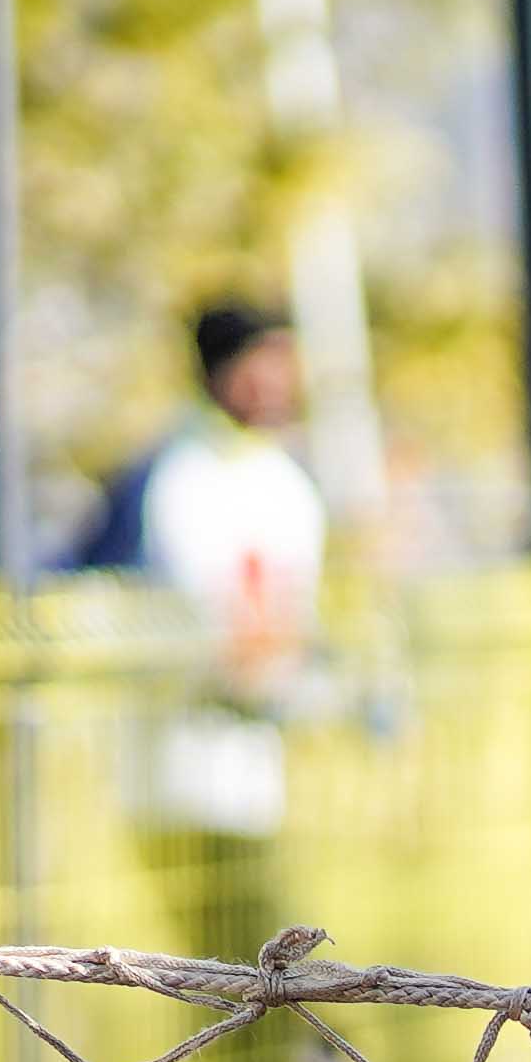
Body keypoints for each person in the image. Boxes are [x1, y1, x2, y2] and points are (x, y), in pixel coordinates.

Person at [66, 300, 329, 837]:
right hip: (167, 755)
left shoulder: (284, 480)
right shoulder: (169, 477)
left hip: (251, 756)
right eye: (263, 365)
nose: (279, 383)